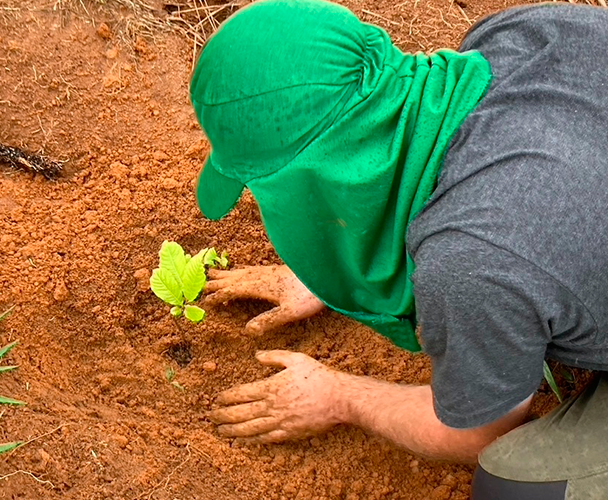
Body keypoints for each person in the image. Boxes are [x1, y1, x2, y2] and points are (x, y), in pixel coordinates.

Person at [188, 0, 608, 498]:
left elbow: (473, 431)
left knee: (514, 486)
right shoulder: (528, 31)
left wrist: (339, 396)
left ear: (323, 176)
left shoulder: (470, 263)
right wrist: (331, 269)